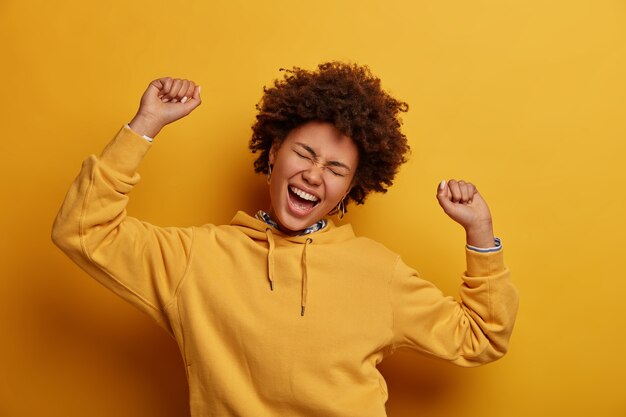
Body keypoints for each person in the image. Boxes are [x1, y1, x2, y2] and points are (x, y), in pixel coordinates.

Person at [52, 62, 518, 417]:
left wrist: (479, 232)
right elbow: (83, 228)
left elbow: (479, 338)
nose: (314, 175)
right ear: (274, 153)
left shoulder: (379, 273)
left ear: (350, 189)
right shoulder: (195, 258)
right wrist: (145, 125)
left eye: (335, 169)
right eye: (304, 153)